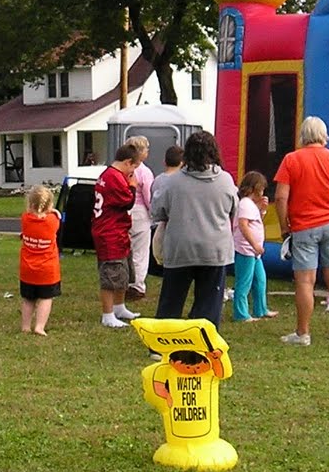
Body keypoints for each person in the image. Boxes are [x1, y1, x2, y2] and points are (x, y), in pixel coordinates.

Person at [273, 116, 329, 346]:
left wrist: (284, 226)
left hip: (304, 225)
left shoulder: (291, 159)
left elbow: (281, 197)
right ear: (324, 135)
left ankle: (303, 333)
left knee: (305, 281)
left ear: (303, 134)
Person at [149, 129, 237, 328]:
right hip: (214, 248)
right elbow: (233, 209)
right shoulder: (225, 180)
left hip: (181, 247)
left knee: (171, 300)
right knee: (209, 303)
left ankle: (164, 341)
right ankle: (202, 343)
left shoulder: (173, 182)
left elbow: (158, 210)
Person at [92, 142, 141, 328]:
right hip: (109, 232)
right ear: (128, 162)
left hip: (117, 230)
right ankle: (108, 314)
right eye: (134, 167)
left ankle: (119, 306)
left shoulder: (107, 175)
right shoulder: (114, 177)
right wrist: (133, 186)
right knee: (111, 274)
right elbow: (127, 201)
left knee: (123, 271)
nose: (133, 172)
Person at [18, 184, 61, 336]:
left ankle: (25, 326)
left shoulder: (25, 219)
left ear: (30, 204)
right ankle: (39, 326)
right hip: (47, 270)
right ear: (49, 205)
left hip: (27, 269)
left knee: (28, 299)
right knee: (45, 298)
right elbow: (57, 216)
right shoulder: (52, 221)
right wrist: (52, 211)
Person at [230, 171, 273, 322]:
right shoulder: (245, 204)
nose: (262, 192)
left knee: (260, 279)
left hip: (253, 252)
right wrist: (254, 244)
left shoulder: (251, 205)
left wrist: (261, 210)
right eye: (261, 189)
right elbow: (243, 225)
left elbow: (255, 221)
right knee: (244, 281)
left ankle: (261, 308)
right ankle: (241, 313)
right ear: (253, 188)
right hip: (246, 250)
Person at [126, 136, 155, 302]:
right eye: (146, 148)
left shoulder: (122, 169)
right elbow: (149, 197)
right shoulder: (144, 171)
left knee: (126, 250)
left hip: (123, 212)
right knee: (140, 251)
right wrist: (154, 214)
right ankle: (137, 285)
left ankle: (123, 282)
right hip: (139, 212)